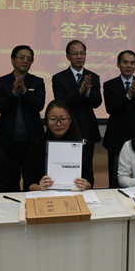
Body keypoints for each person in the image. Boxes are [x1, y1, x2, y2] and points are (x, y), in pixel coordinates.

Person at [0, 45, 46, 192]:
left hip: (32, 140)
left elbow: (39, 105)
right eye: (21, 57)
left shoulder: (37, 81)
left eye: (29, 58)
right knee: (10, 181)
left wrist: (24, 91)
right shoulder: (1, 82)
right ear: (12, 60)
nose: (25, 61)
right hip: (7, 141)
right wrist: (14, 93)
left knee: (32, 179)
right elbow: (1, 107)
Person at [52, 40, 102, 186]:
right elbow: (61, 103)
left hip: (87, 128)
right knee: (66, 166)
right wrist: (79, 92)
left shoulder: (93, 77)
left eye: (82, 53)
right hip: (65, 128)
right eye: (75, 53)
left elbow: (97, 102)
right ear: (68, 56)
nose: (79, 57)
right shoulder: (59, 78)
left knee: (86, 167)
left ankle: (88, 191)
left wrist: (87, 93)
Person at [103, 50, 135, 188]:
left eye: (132, 63)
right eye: (125, 62)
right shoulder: (109, 84)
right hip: (116, 137)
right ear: (118, 64)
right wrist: (128, 96)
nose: (129, 66)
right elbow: (111, 108)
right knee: (115, 177)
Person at [23, 99, 93, 191]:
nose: (58, 124)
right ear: (47, 121)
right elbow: (28, 183)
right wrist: (39, 187)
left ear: (70, 120)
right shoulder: (37, 145)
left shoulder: (82, 145)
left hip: (74, 194)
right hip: (44, 195)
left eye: (63, 119)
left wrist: (85, 185)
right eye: (53, 119)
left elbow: (90, 180)